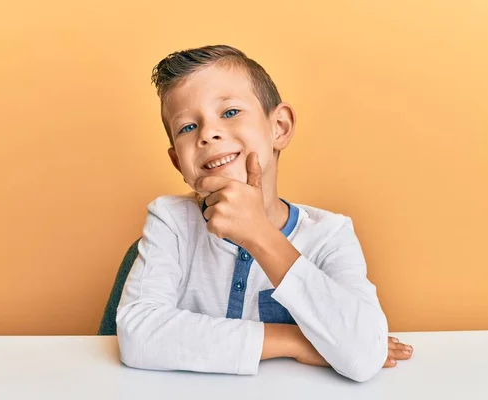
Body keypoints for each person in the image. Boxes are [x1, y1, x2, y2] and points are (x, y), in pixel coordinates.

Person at [116, 45, 413, 382]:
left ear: (280, 127)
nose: (207, 134)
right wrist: (295, 341)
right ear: (178, 163)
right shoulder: (170, 221)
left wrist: (260, 235)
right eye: (187, 127)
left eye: (229, 112)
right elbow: (138, 335)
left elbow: (365, 354)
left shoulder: (331, 234)